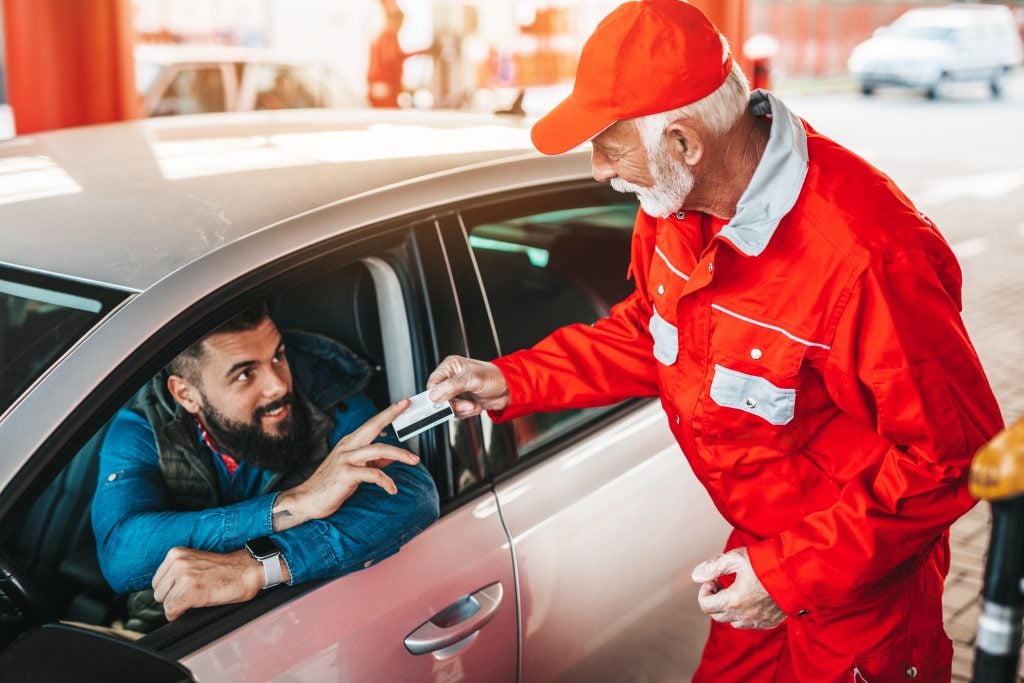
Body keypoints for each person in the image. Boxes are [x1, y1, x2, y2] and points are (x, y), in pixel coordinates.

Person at [426, 1, 1003, 680]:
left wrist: (786, 573)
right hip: (761, 557)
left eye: (609, 145)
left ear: (683, 143)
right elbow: (653, 331)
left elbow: (954, 456)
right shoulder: (677, 207)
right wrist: (514, 379)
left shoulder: (868, 254)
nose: (596, 168)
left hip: (857, 594)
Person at [93, 303, 439, 632]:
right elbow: (122, 553)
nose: (277, 385)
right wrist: (293, 504)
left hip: (300, 623)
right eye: (246, 374)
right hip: (170, 629)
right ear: (186, 394)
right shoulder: (144, 426)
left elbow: (410, 495)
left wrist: (257, 566)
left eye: (278, 356)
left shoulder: (328, 395)